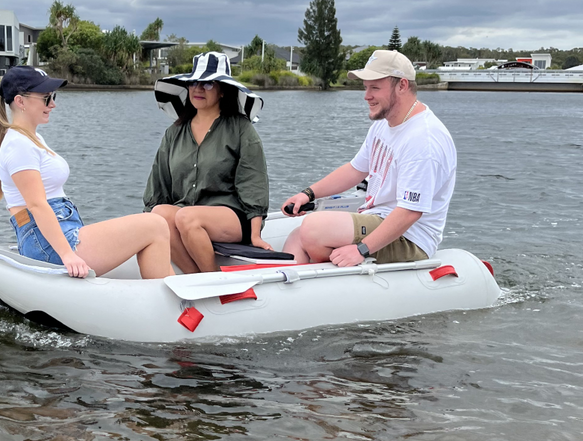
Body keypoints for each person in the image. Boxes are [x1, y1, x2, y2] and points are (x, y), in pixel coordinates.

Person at [0, 66, 173, 279]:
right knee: (155, 224)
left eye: (53, 96)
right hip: (46, 244)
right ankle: (174, 302)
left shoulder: (31, 140)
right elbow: (37, 205)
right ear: (20, 101)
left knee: (155, 226)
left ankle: (174, 295)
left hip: (56, 234)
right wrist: (68, 255)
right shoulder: (18, 145)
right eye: (46, 98)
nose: (53, 104)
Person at [282, 49, 456, 267]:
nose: (366, 95)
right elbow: (356, 169)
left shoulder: (424, 140)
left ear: (402, 85)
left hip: (412, 237)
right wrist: (307, 194)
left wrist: (361, 250)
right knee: (297, 236)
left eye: (375, 87)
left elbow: (410, 212)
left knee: (312, 229)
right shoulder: (383, 124)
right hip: (378, 216)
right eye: (365, 87)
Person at [144, 52, 271, 273]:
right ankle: (193, 278)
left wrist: (255, 235)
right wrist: (146, 227)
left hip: (231, 215)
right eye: (193, 82)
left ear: (223, 90)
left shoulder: (240, 129)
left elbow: (253, 181)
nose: (198, 89)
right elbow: (159, 182)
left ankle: (212, 277)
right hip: (187, 212)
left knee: (186, 217)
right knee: (159, 215)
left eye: (208, 84)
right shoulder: (174, 133)